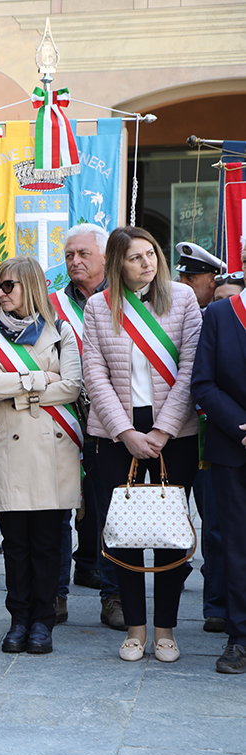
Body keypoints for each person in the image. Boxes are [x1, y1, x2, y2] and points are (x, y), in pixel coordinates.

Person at [82, 227, 201, 663]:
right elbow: (93, 374)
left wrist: (162, 431)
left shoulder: (183, 299)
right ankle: (134, 629)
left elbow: (192, 369)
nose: (147, 262)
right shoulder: (98, 306)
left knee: (170, 534)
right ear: (117, 263)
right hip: (116, 435)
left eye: (151, 254)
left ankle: (165, 630)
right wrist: (126, 432)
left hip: (175, 433)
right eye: (135, 257)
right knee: (124, 536)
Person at [0, 257, 83, 654]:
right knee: (15, 543)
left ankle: (43, 621)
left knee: (48, 542)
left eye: (8, 286)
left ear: (31, 286)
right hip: (7, 449)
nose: (1, 294)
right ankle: (18, 619)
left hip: (53, 447)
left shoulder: (62, 331)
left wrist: (19, 387)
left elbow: (71, 387)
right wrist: (41, 379)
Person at [51, 224, 114, 627]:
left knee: (110, 511)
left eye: (84, 254)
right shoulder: (52, 304)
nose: (75, 261)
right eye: (70, 254)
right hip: (60, 420)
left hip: (112, 423)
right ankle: (54, 594)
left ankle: (115, 596)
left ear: (106, 257)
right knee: (56, 508)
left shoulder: (124, 300)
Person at [191, 284, 246, 673]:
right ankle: (240, 637)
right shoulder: (220, 315)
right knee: (237, 545)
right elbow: (204, 383)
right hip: (234, 448)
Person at [174, 241, 228, 634]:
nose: (186, 284)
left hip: (214, 435)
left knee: (216, 523)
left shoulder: (224, 317)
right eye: (183, 277)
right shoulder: (175, 315)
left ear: (214, 280)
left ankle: (217, 601)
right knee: (174, 520)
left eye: (194, 278)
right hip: (177, 431)